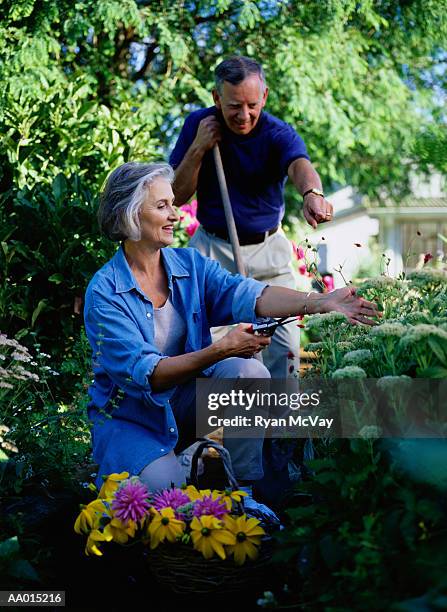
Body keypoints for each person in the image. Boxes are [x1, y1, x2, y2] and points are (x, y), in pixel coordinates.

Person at [83, 161, 378, 519]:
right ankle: (177, 466)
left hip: (187, 407)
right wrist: (218, 349)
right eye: (161, 206)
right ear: (129, 215)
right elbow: (149, 376)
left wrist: (319, 302)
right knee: (166, 494)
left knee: (247, 371)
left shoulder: (189, 265)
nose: (175, 214)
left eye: (173, 203)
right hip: (135, 421)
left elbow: (250, 295)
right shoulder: (105, 292)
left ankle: (245, 493)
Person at [169, 55, 333, 379]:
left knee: (285, 349)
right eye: (234, 106)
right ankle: (218, 426)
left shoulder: (276, 132)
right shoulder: (198, 125)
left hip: (267, 253)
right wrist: (199, 147)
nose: (244, 115)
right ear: (217, 98)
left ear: (265, 97)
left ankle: (281, 429)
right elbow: (176, 196)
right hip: (213, 251)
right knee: (217, 355)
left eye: (252, 105)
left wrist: (313, 194)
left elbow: (300, 165)